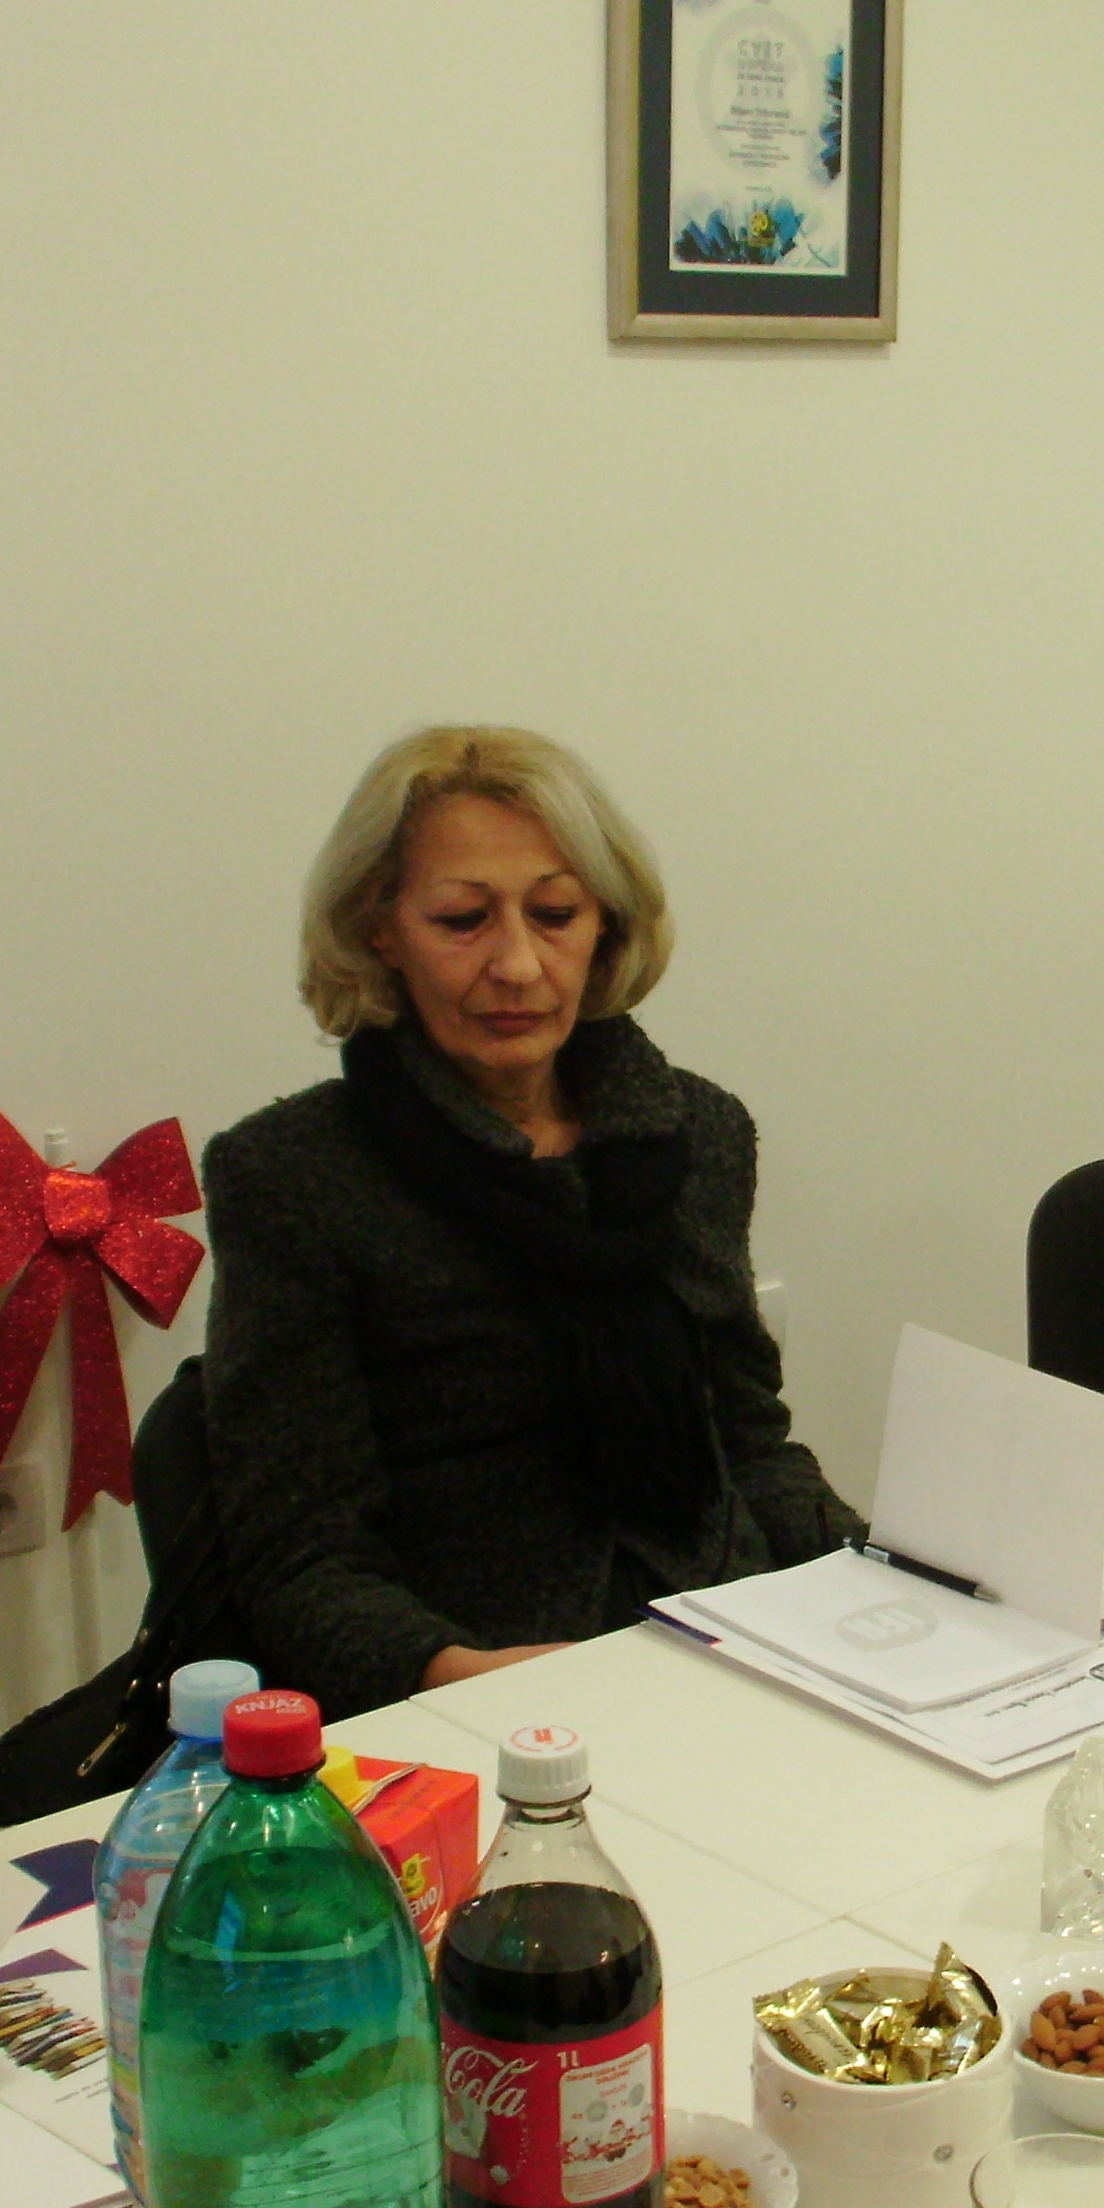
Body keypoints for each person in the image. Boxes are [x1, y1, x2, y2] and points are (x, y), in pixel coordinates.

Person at [198, 725, 859, 1720]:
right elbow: (300, 1555)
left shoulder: (695, 1133)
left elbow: (748, 1444)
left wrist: (877, 1573)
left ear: (606, 927)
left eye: (555, 915)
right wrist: (456, 1674)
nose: (517, 965)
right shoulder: (293, 1175)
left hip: (725, 1640)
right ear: (380, 930)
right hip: (478, 1677)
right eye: (463, 920)